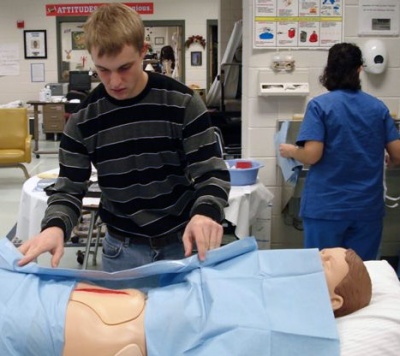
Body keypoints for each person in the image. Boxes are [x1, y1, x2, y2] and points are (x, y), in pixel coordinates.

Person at [18, 3, 230, 271]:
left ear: (143, 50)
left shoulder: (182, 102)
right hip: (122, 251)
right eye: (103, 70)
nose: (115, 81)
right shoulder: (84, 120)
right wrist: (55, 227)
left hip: (184, 243)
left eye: (124, 67)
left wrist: (205, 213)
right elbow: (68, 189)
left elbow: (211, 173)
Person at [0, 237, 371, 356]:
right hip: (125, 299)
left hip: (119, 334)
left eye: (324, 263)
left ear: (334, 301)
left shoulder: (282, 336)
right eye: (321, 252)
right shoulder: (260, 276)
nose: (311, 257)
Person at [279, 42, 400, 260]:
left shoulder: (320, 106)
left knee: (324, 273)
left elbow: (312, 154)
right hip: (366, 210)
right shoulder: (378, 107)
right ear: (359, 70)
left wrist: (291, 151)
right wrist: (389, 160)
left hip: (327, 208)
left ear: (328, 70)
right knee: (360, 275)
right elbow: (398, 154)